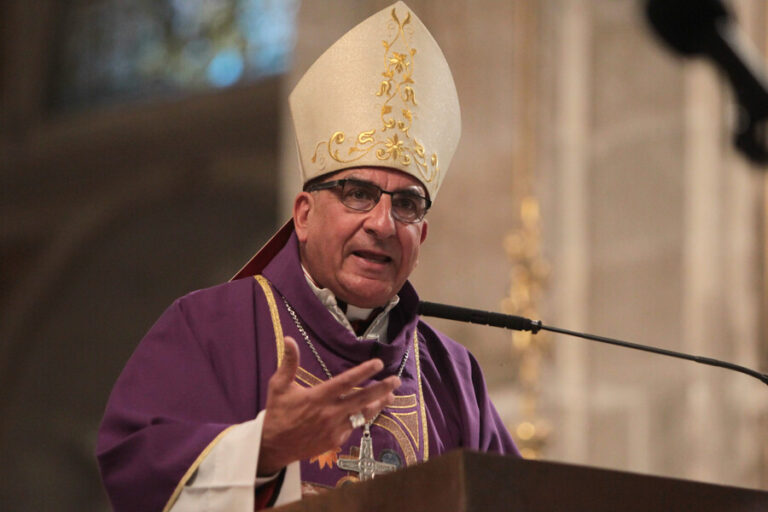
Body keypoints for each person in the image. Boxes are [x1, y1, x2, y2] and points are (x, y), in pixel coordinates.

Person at [96, 2, 519, 511]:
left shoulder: (452, 375)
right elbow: (135, 468)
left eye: (406, 204)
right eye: (357, 193)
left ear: (421, 237)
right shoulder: (210, 328)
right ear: (302, 214)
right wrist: (263, 451)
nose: (382, 224)